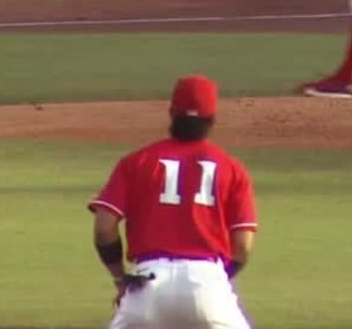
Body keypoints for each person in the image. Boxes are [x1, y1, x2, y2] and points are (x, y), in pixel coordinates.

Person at [87, 74, 258, 329]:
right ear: (212, 119)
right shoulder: (232, 169)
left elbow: (104, 227)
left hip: (147, 284)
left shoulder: (137, 162)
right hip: (207, 284)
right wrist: (220, 278)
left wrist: (120, 278)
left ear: (171, 113)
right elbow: (242, 246)